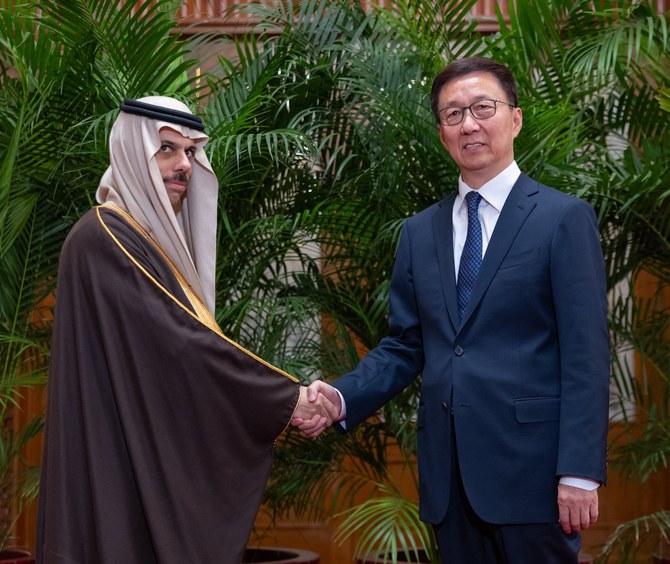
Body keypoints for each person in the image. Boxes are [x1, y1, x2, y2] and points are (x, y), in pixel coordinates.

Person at [295, 57, 610, 563]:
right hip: (449, 481)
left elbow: (586, 354)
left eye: (483, 107)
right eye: (453, 114)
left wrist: (579, 471)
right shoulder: (420, 232)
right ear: (442, 133)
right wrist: (340, 396)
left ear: (515, 118)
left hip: (535, 477)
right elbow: (406, 344)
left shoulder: (562, 218)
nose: (469, 123)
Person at [36, 96, 337, 564]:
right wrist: (286, 398)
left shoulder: (137, 237)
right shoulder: (105, 236)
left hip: (130, 452)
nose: (184, 166)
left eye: (191, 152)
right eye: (167, 150)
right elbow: (181, 345)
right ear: (134, 155)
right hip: (115, 461)